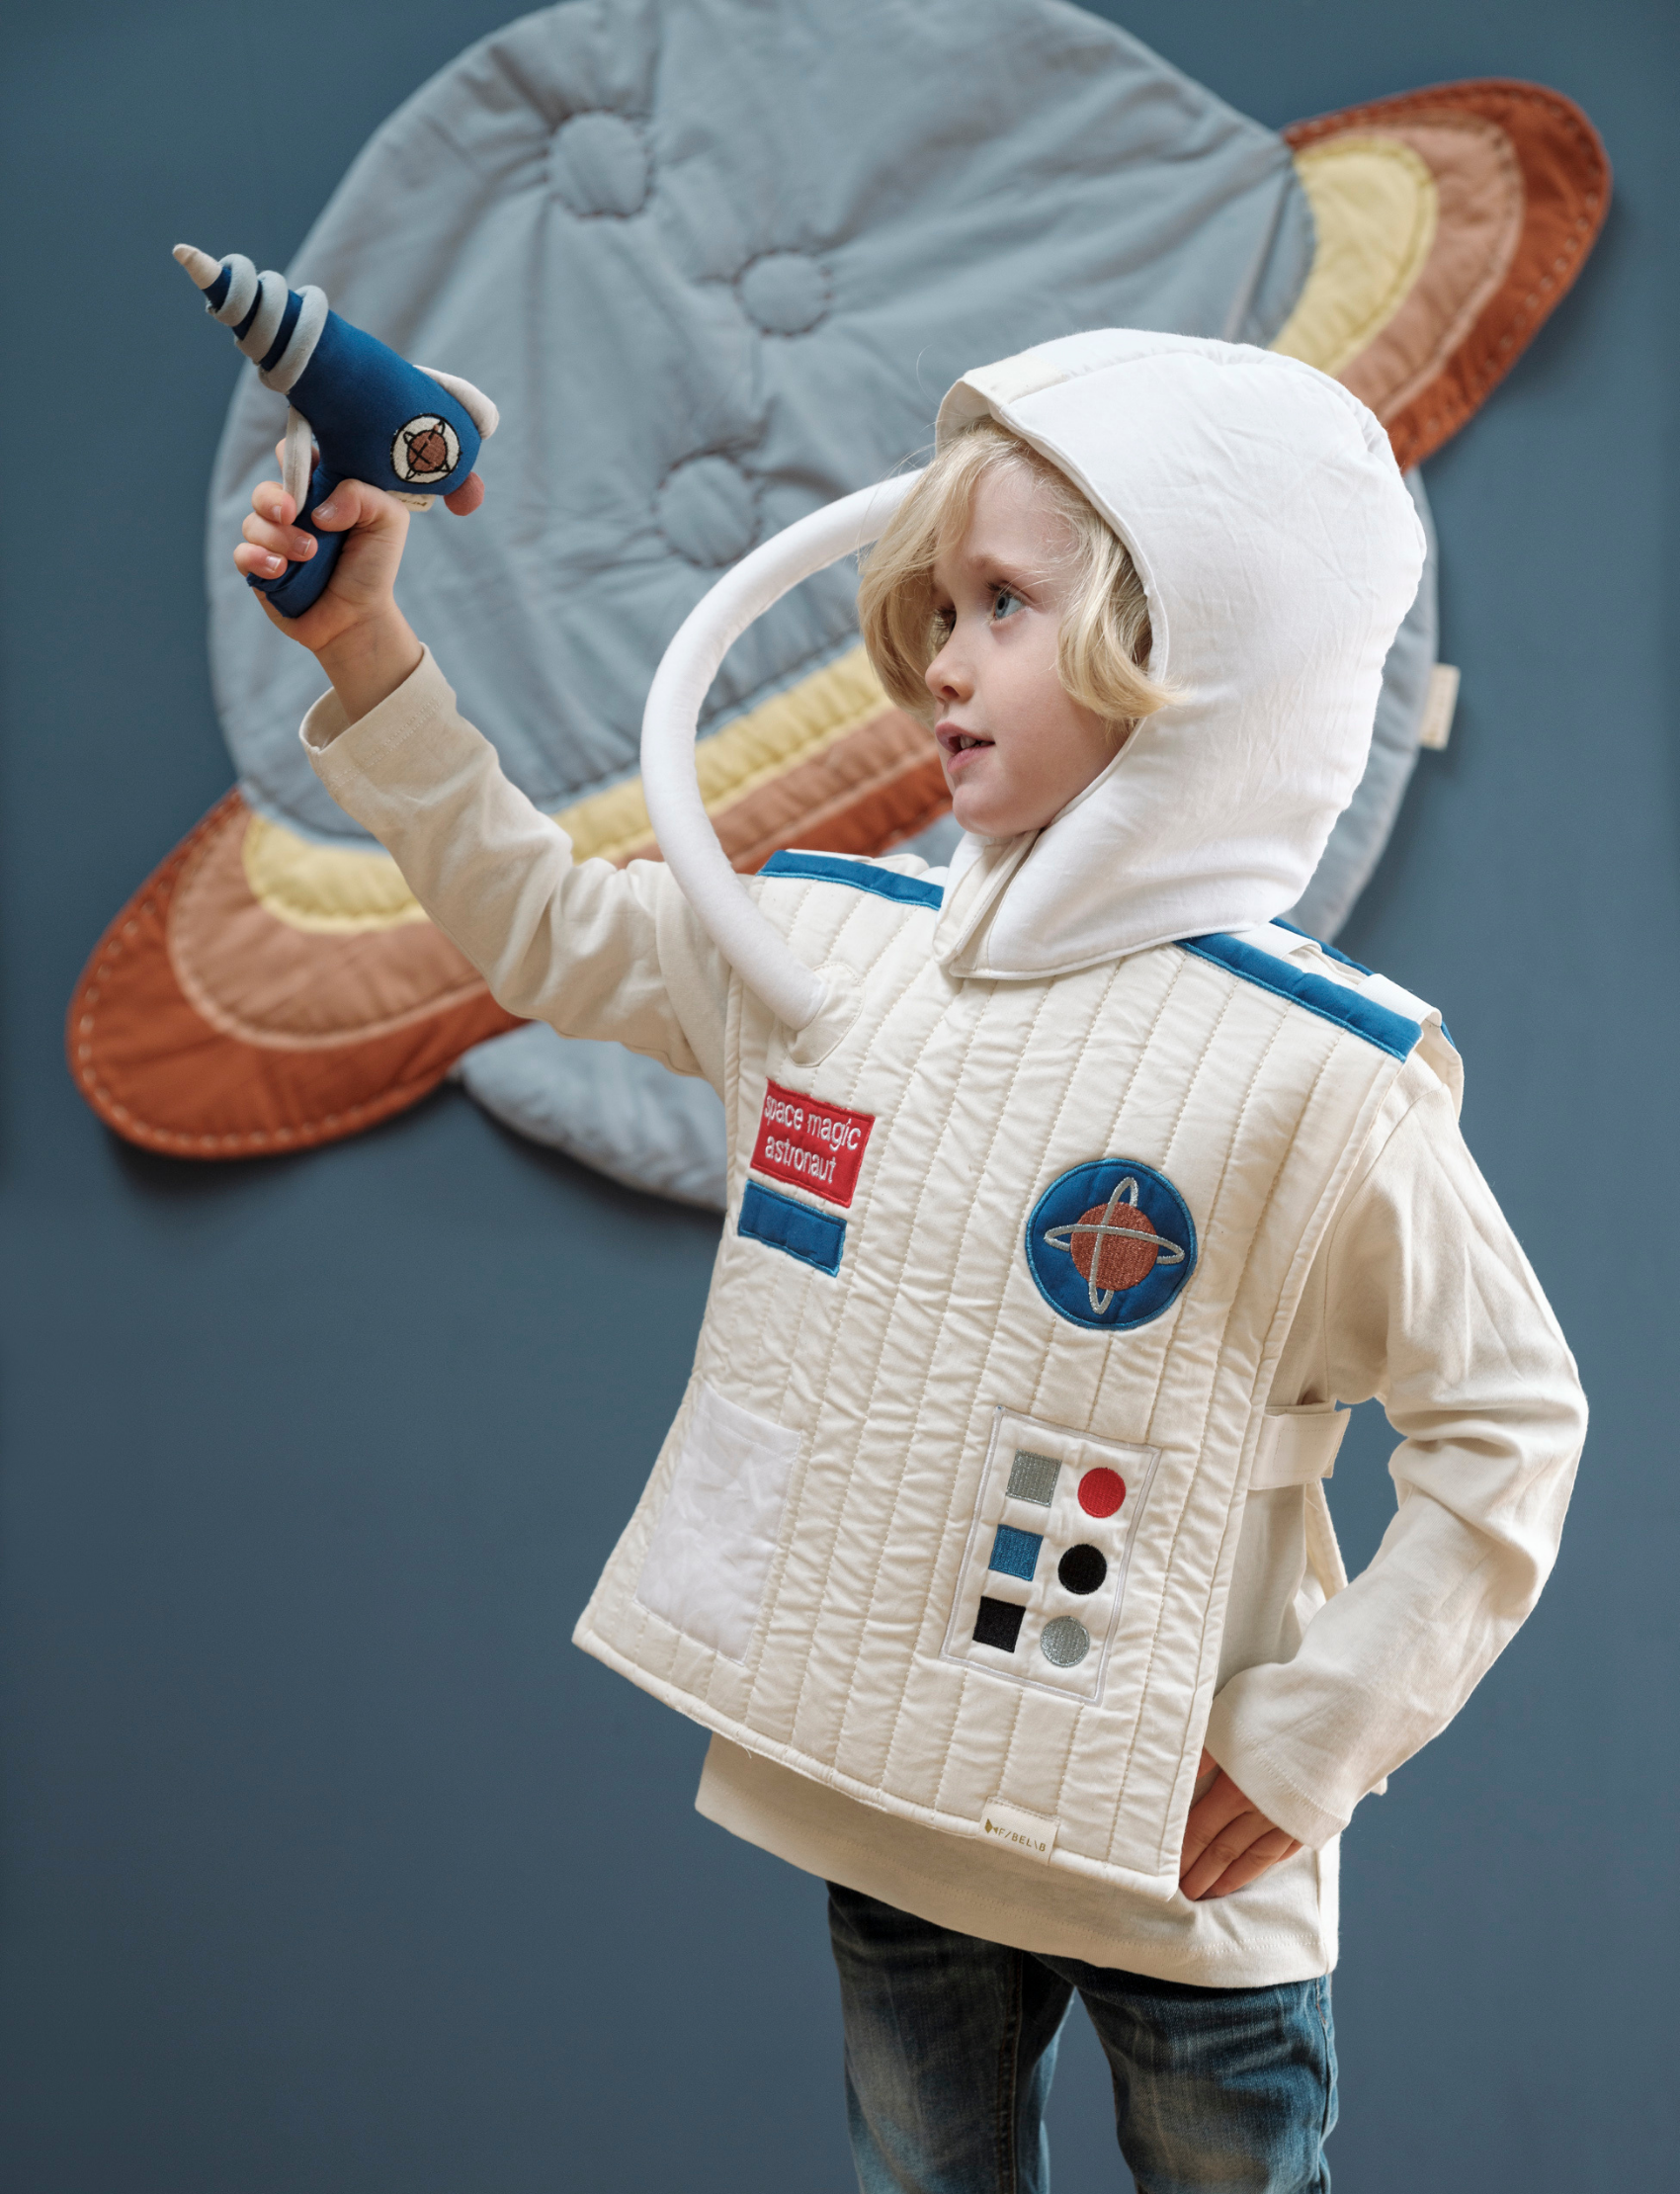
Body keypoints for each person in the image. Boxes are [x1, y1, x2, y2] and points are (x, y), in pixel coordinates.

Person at [235, 329, 1585, 2193]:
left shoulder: (1322, 1082)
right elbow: (544, 929)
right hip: (887, 1791)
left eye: (1007, 605)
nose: (945, 659)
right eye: (943, 606)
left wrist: (1308, 1747)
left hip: (1175, 1836)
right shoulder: (825, 955)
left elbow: (1512, 1426)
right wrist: (369, 656)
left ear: (1196, 649)